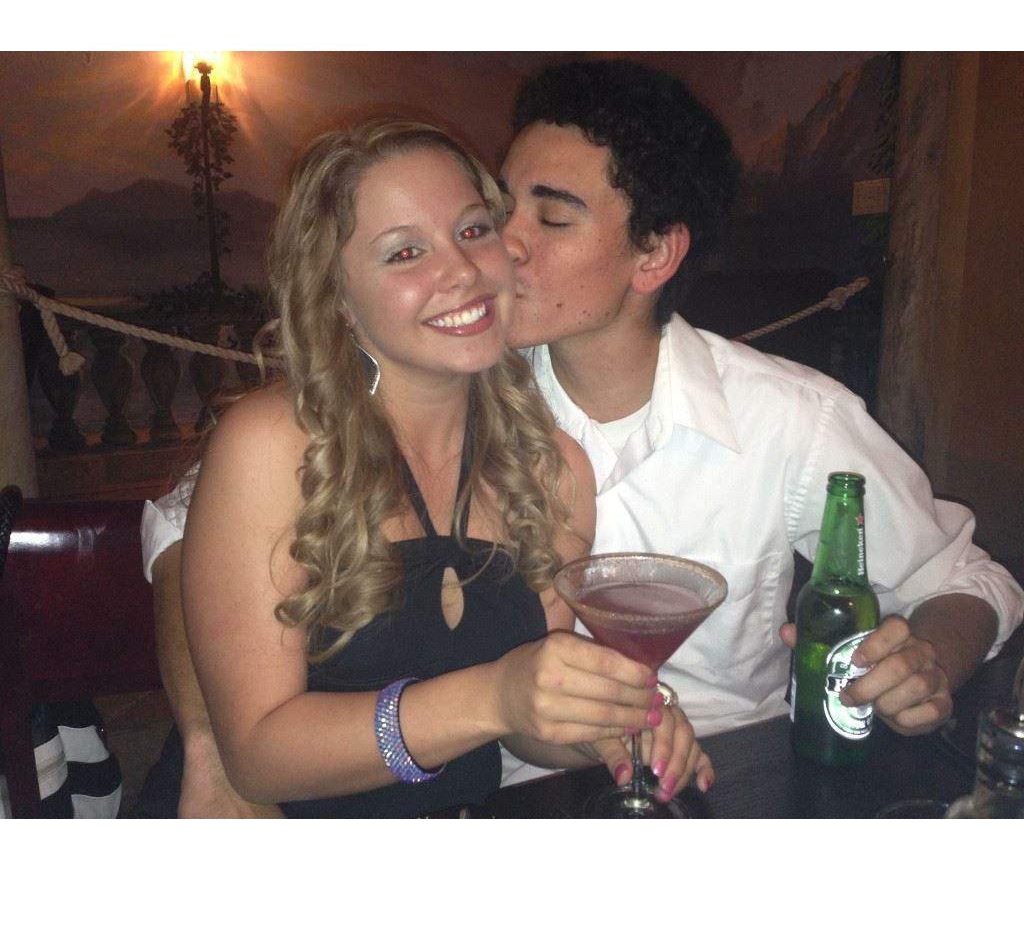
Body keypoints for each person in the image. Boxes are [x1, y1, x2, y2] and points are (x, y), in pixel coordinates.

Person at [143, 59, 1023, 814]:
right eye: (499, 209)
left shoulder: (783, 419)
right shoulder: (440, 375)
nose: (496, 251)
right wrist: (213, 750)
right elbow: (184, 527)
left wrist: (927, 662)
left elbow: (965, 576)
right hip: (497, 791)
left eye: (543, 218)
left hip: (719, 774)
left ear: (654, 255)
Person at [137, 117, 706, 819]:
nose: (462, 270)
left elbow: (519, 727)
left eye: (473, 230)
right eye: (405, 252)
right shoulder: (272, 445)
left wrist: (601, 730)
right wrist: (493, 694)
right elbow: (255, 756)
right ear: (338, 299)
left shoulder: (552, 470)